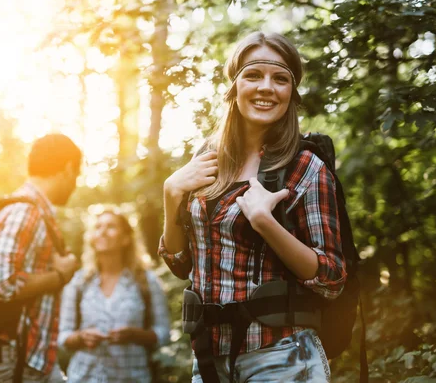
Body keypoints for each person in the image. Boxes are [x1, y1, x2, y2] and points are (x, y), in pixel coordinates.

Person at [159, 31, 347, 383]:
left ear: (291, 93)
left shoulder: (306, 167)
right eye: (253, 74)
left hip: (282, 358)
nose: (266, 87)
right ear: (234, 85)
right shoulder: (207, 159)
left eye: (280, 79)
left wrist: (265, 222)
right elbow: (181, 264)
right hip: (209, 360)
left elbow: (331, 279)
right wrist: (171, 195)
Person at [0, 133, 82, 382]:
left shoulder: (37, 210)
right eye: (77, 174)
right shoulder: (25, 211)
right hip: (16, 358)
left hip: (33, 355)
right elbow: (2, 283)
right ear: (68, 167)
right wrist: (60, 275)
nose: (75, 182)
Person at [58, 210, 171, 383]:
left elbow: (163, 334)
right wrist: (81, 337)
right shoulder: (79, 282)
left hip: (133, 378)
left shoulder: (146, 282)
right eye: (98, 227)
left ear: (126, 239)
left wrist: (135, 335)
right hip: (83, 377)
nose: (102, 231)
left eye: (111, 227)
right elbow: (62, 337)